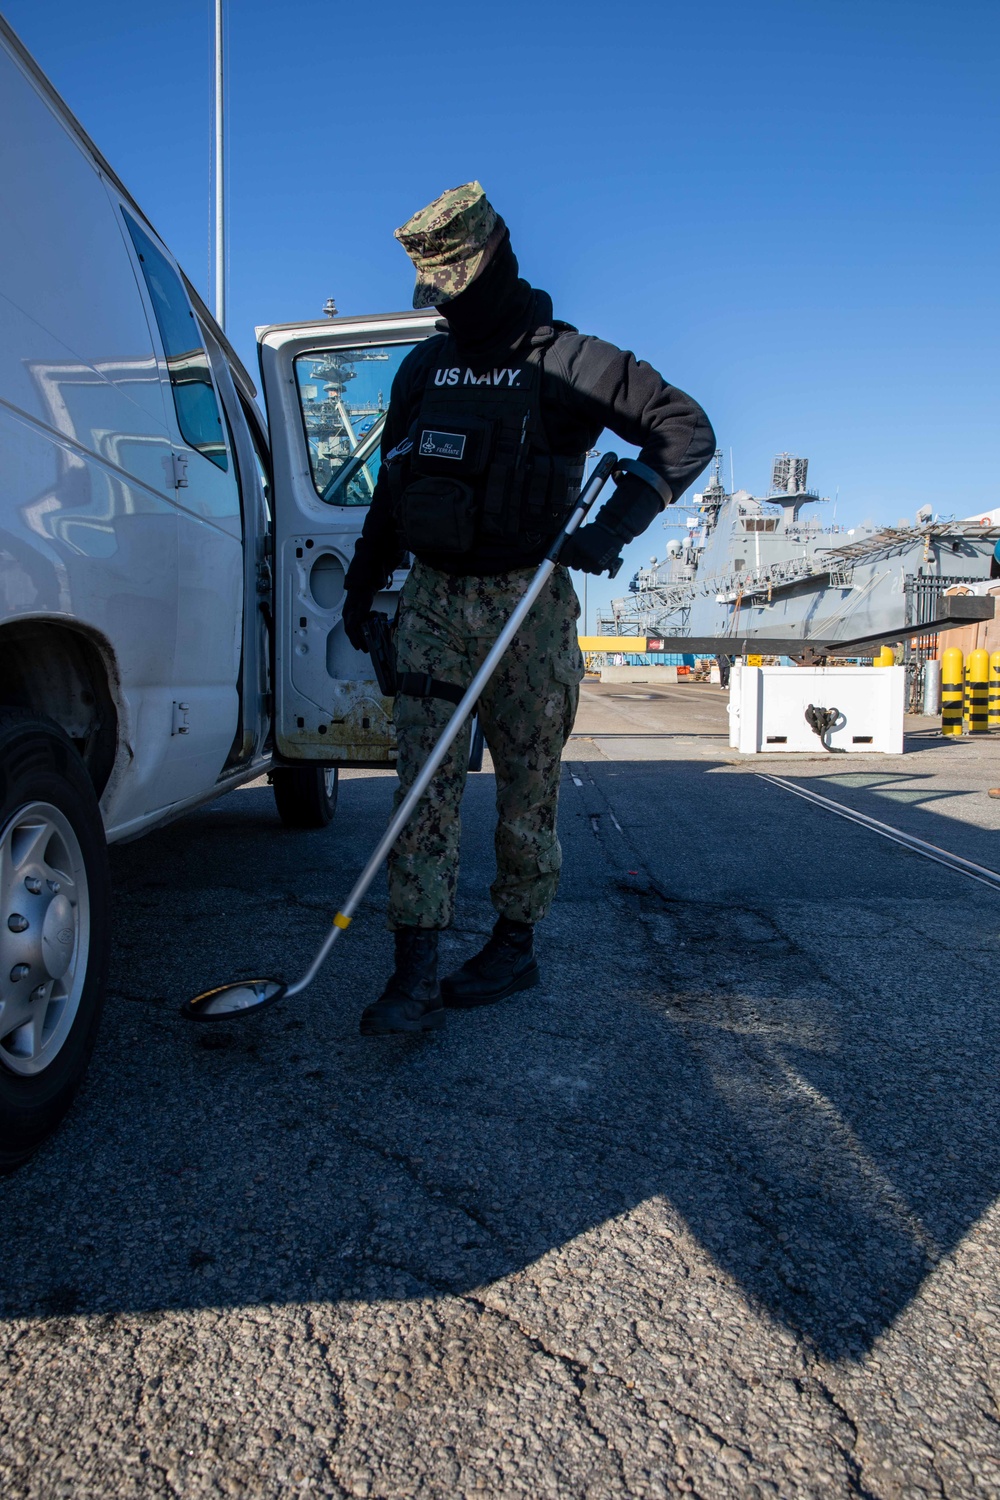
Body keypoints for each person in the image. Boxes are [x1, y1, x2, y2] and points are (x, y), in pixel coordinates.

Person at [342, 182, 715, 1035]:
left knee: (528, 785)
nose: (448, 305)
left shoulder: (569, 360)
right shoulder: (423, 369)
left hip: (529, 602)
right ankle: (414, 965)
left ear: (496, 265)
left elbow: (683, 428)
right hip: (435, 600)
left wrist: (618, 524)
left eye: (458, 285)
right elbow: (391, 494)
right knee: (421, 789)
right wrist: (363, 594)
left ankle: (514, 944)